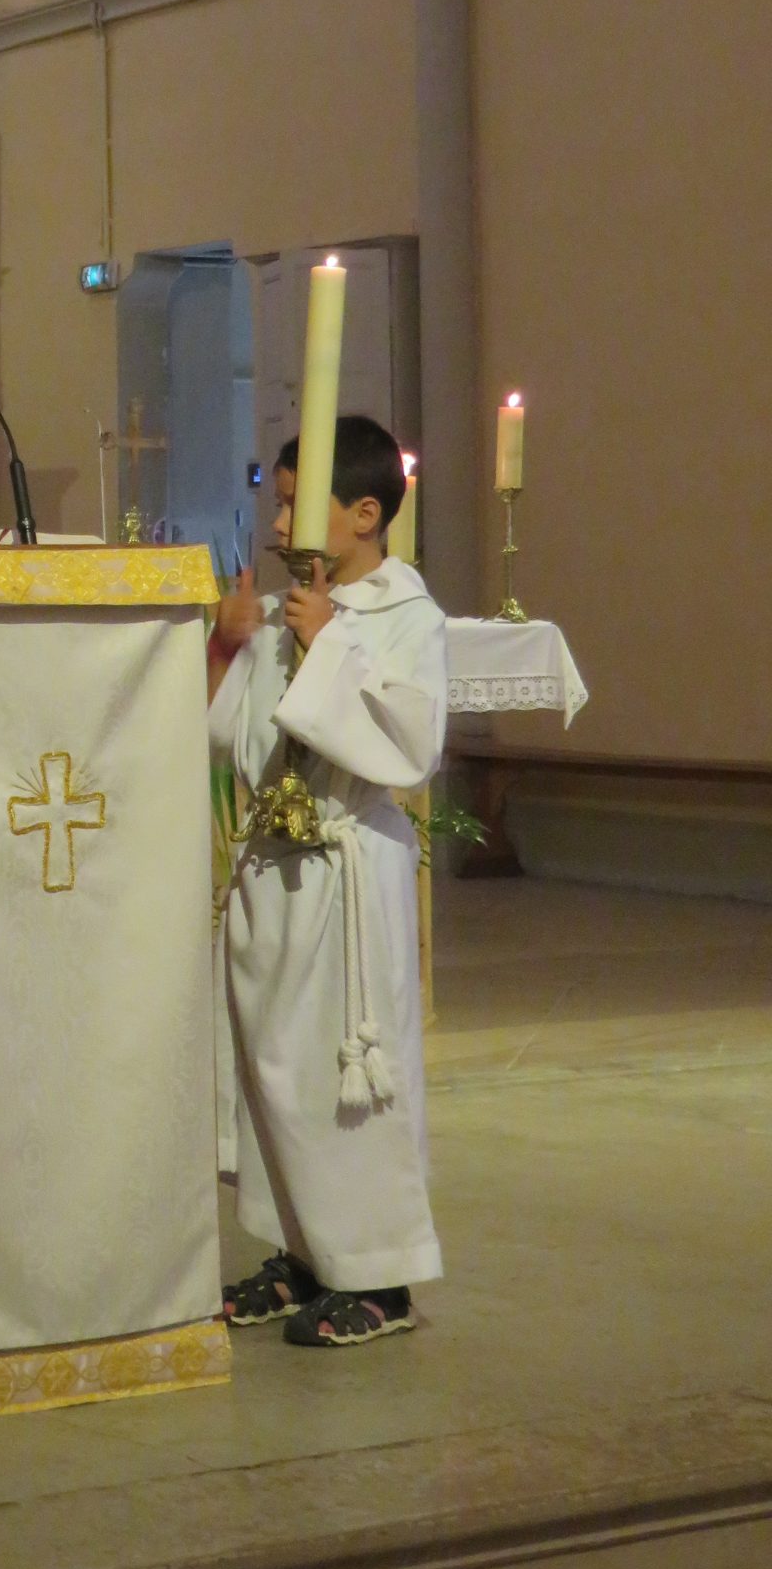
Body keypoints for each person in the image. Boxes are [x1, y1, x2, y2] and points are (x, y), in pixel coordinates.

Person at [207, 413, 447, 1349]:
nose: (277, 525)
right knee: (280, 1073)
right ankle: (304, 1253)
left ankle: (380, 1277)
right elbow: (229, 740)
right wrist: (229, 646)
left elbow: (410, 748)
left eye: (294, 505)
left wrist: (330, 648)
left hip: (349, 874)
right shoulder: (285, 611)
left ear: (364, 514)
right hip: (277, 870)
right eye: (276, 504)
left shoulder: (406, 616)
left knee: (352, 1080)